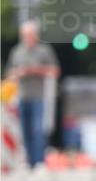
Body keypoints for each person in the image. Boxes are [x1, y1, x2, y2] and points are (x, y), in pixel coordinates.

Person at [6, 20, 60, 168]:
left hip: (39, 96)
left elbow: (55, 71)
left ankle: (39, 161)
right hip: (22, 96)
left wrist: (36, 70)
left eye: (30, 35)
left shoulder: (44, 51)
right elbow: (9, 73)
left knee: (38, 129)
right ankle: (29, 161)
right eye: (25, 35)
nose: (27, 38)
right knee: (25, 130)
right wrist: (19, 72)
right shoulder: (17, 51)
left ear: (36, 35)